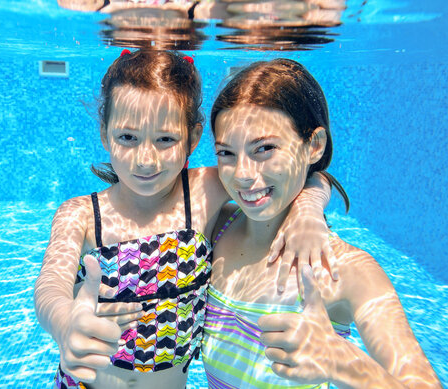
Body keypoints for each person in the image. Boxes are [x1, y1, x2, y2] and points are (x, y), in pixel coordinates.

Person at [34, 49, 334, 389]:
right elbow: (50, 285)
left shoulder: (205, 192)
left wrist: (308, 210)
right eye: (127, 138)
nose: (145, 160)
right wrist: (63, 323)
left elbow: (308, 176)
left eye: (165, 139)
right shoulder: (82, 214)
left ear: (192, 137)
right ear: (104, 134)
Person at [201, 58, 442, 388]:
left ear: (314, 145)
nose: (242, 174)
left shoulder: (346, 269)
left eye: (265, 148)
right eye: (226, 153)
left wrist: (342, 364)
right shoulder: (216, 230)